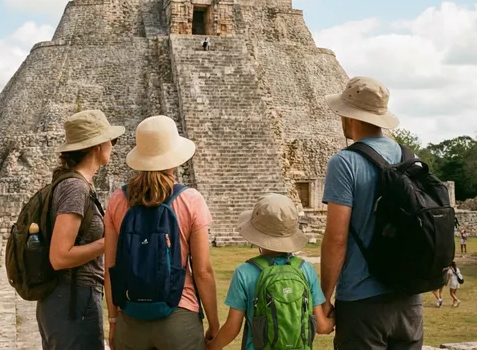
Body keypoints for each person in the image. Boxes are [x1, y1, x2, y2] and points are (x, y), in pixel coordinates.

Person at [320, 76, 423, 349]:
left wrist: (324, 298)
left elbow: (336, 240)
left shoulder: (345, 162)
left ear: (348, 117)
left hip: (362, 300)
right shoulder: (409, 157)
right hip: (409, 298)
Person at [105, 115, 220, 350]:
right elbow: (202, 271)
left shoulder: (118, 200)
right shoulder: (190, 199)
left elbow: (111, 269)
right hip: (179, 314)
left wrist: (114, 321)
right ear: (174, 156)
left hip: (131, 315)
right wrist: (214, 323)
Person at [36, 110, 124, 350]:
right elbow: (59, 256)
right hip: (73, 300)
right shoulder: (75, 188)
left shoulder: (76, 183)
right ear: (97, 146)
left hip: (69, 298)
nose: (113, 146)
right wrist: (111, 241)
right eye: (111, 141)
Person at [208, 194, 333, 350]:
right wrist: (334, 320)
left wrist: (212, 346)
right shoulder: (305, 270)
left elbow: (232, 327)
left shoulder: (244, 272)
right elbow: (321, 326)